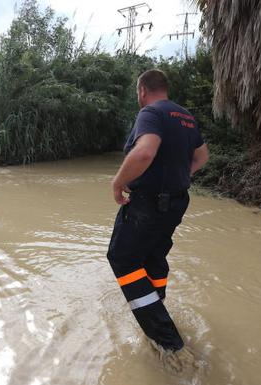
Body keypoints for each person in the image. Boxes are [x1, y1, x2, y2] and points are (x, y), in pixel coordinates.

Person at [107, 70, 209, 353]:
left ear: (142, 90)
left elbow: (144, 152)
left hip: (149, 203)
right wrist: (176, 175)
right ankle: (156, 302)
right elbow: (202, 156)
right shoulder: (186, 116)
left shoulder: (151, 112)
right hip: (176, 201)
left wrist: (118, 183)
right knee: (153, 256)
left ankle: (167, 341)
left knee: (122, 259)